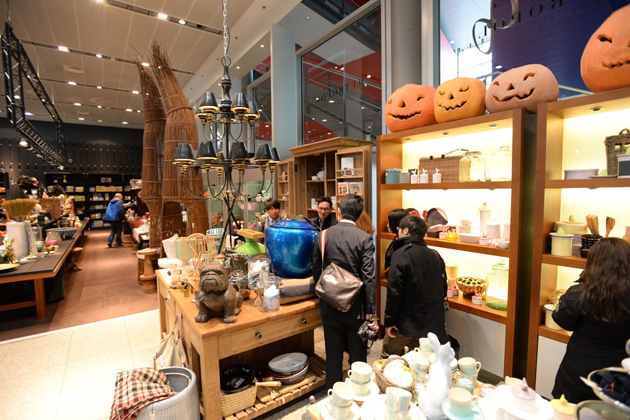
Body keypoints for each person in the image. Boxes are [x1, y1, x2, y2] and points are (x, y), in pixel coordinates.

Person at [552, 237, 630, 403]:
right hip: (618, 381)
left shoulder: (581, 295)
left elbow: (562, 321)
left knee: (567, 411)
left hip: (579, 375)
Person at [312, 194, 378, 389]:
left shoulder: (323, 235)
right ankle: (358, 394)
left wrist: (325, 292)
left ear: (339, 211)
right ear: (358, 214)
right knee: (358, 357)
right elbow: (369, 278)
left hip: (329, 306)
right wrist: (372, 313)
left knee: (333, 356)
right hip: (356, 307)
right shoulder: (365, 238)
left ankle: (334, 395)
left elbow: (316, 269)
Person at [382, 214, 449, 357]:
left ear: (406, 230)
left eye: (399, 228)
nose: (398, 231)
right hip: (432, 323)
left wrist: (389, 322)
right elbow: (444, 289)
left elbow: (394, 292)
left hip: (405, 323)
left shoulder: (401, 254)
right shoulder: (435, 255)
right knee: (422, 360)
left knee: (389, 357)